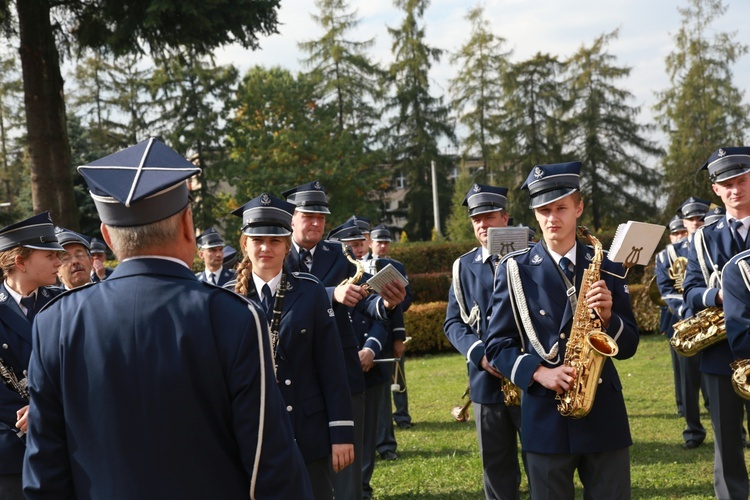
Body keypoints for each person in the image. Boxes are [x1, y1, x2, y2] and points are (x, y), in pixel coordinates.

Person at [23, 138, 312, 499]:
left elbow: (45, 473)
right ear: (188, 225)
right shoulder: (233, 317)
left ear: (107, 236)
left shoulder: (55, 323)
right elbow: (269, 464)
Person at [485, 161, 639, 499]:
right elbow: (497, 345)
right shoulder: (515, 270)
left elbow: (629, 345)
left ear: (578, 208)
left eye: (561, 208)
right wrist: (538, 373)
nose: (552, 218)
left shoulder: (608, 267)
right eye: (544, 209)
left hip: (603, 413)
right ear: (535, 213)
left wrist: (610, 317)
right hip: (546, 417)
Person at [282, 181, 406, 500]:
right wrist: (329, 294)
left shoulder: (339, 254)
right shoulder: (274, 250)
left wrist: (387, 303)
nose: (316, 223)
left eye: (321, 217)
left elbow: (365, 300)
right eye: (308, 216)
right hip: (292, 374)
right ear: (291, 218)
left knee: (347, 464)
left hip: (341, 371)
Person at [227, 193, 354, 500]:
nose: (265, 248)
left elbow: (331, 366)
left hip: (305, 430)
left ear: (286, 245)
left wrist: (341, 432)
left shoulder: (309, 292)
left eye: (275, 240)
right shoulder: (225, 298)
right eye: (257, 240)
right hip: (247, 434)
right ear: (245, 244)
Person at [444, 183, 525, 499]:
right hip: (486, 379)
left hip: (530, 373)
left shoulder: (531, 255)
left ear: (506, 218)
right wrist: (478, 354)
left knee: (541, 459)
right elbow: (453, 322)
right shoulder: (463, 266)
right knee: (496, 464)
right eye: (476, 218)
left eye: (489, 216)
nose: (482, 224)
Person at [682, 146, 750, 499]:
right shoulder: (703, 237)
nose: (735, 189)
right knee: (727, 444)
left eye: (741, 180)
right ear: (716, 190)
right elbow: (691, 289)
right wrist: (720, 297)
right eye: (727, 184)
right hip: (720, 354)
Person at [326, 219, 390, 500]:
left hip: (364, 360)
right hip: (332, 361)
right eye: (349, 245)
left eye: (359, 243)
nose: (356, 249)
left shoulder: (360, 270)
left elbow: (374, 311)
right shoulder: (332, 265)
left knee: (362, 436)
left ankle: (361, 487)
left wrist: (371, 348)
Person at [0, 212, 63, 500]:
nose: (58, 261)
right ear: (20, 261)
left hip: (64, 441)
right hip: (11, 450)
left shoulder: (65, 305)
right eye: (49, 255)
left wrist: (44, 409)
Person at [661, 197, 711, 450]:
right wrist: (689, 312)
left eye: (701, 218)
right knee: (688, 382)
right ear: (685, 222)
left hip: (716, 323)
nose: (696, 223)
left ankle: (739, 432)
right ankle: (693, 431)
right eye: (691, 219)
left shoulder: (715, 243)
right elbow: (665, 289)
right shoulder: (669, 254)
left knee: (721, 378)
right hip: (688, 323)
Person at [654, 215, 688, 418]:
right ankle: (683, 405)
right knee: (680, 368)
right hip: (675, 317)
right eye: (676, 233)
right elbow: (664, 292)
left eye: (682, 232)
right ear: (670, 237)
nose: (680, 236)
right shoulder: (665, 257)